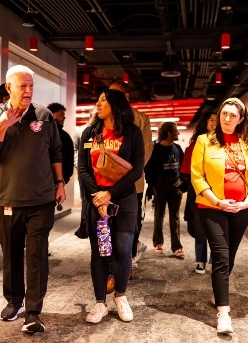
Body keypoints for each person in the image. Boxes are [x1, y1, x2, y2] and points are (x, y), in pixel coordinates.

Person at [0, 65, 66, 334]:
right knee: (11, 254)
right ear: (9, 88)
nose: (28, 91)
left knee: (37, 255)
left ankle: (33, 311)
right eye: (22, 86)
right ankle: (14, 301)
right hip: (9, 200)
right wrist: (3, 125)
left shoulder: (45, 116)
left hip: (41, 199)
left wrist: (60, 183)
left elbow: (55, 151)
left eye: (31, 86)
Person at [191, 97, 248, 334]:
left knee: (229, 255)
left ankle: (217, 292)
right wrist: (218, 201)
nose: (227, 118)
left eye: (232, 115)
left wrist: (247, 201)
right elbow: (197, 176)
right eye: (224, 114)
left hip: (241, 209)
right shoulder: (204, 141)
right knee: (221, 256)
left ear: (241, 120)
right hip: (212, 208)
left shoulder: (247, 144)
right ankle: (223, 313)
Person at [77, 89, 144, 323]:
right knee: (99, 252)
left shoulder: (133, 134)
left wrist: (110, 193)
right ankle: (99, 303)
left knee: (123, 250)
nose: (97, 103)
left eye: (103, 100)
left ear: (116, 105)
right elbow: (83, 169)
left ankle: (120, 296)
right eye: (97, 100)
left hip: (124, 200)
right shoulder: (89, 134)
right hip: (96, 202)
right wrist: (98, 195)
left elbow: (137, 169)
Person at [109, 81, 153, 268]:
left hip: (133, 182)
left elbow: (146, 148)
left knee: (132, 221)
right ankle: (110, 261)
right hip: (106, 182)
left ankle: (130, 257)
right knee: (108, 221)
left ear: (126, 97)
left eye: (114, 95)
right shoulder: (103, 117)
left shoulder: (141, 119)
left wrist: (128, 171)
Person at [180, 112, 217, 274]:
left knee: (217, 227)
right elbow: (187, 171)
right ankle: (201, 261)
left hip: (218, 190)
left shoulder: (223, 144)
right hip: (198, 190)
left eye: (217, 120)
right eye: (212, 120)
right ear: (204, 123)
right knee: (200, 227)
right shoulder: (195, 145)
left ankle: (214, 260)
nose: (215, 123)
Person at [145, 122, 185, 256]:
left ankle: (177, 246)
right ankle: (158, 243)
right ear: (168, 133)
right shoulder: (156, 149)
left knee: (175, 216)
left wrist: (183, 183)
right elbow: (149, 170)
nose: (178, 133)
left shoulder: (178, 148)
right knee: (159, 214)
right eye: (175, 131)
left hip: (176, 187)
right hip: (160, 187)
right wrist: (152, 185)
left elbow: (183, 167)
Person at [47, 102, 75, 184]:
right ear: (52, 114)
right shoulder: (40, 134)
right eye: (61, 115)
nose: (64, 118)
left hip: (59, 182)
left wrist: (64, 180)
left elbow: (70, 160)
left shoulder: (65, 137)